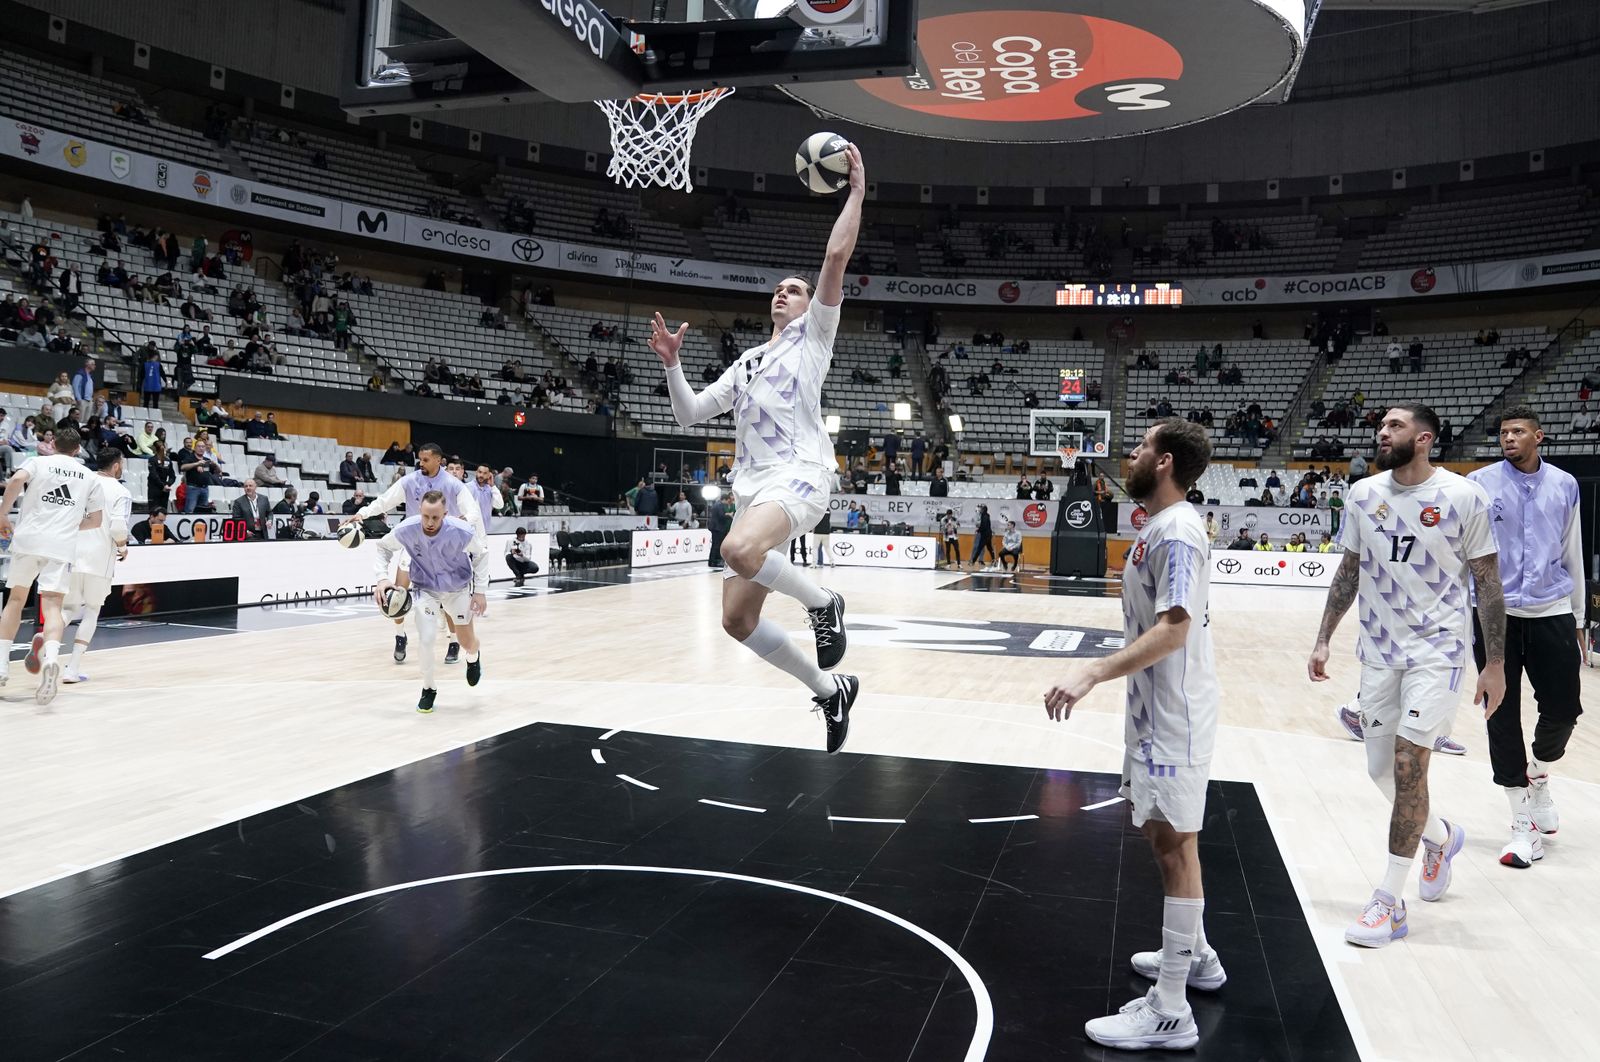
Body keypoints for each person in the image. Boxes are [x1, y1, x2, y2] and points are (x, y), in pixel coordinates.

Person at [648, 142, 866, 754]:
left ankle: (826, 603)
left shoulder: (814, 336)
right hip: (756, 487)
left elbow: (835, 256)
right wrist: (673, 364)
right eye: (778, 289)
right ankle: (829, 689)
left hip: (801, 474)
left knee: (738, 547)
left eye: (793, 289)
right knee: (736, 621)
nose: (783, 293)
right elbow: (690, 412)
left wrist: (854, 193)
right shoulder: (747, 363)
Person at [1044, 418, 1220, 1051]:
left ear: (1166, 462)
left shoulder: (1177, 532)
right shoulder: (1159, 527)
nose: (1133, 453)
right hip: (1156, 712)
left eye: (1143, 445)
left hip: (1175, 716)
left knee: (1175, 845)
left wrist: (1092, 670)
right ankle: (1195, 956)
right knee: (1161, 832)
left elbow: (1175, 630)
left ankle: (1171, 1011)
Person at [1307, 403, 1505, 948]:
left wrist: (1494, 664)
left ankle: (1389, 903)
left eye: (1393, 426)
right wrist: (1325, 636)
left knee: (1409, 765)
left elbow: (1488, 583)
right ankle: (1440, 837)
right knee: (1380, 773)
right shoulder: (1363, 494)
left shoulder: (1463, 497)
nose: (1381, 432)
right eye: (1381, 425)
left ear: (1424, 439)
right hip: (1378, 649)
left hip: (1438, 651)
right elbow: (1349, 569)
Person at [342, 442, 485, 665]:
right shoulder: (410, 480)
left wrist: (460, 522)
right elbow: (385, 500)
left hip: (443, 547)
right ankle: (400, 636)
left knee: (449, 598)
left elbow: (473, 512)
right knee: (398, 592)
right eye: (420, 459)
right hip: (414, 544)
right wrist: (363, 513)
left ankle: (454, 641)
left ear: (439, 460)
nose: (421, 463)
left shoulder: (453, 484)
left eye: (426, 459)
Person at [0, 426, 107, 704]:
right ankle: (50, 660)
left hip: (28, 540)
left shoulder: (38, 461)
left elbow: (15, 481)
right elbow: (95, 521)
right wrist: (70, 526)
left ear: (52, 444)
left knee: (15, 600)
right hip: (60, 546)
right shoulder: (89, 475)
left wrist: (3, 515)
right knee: (53, 607)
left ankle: (1, 666)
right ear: (77, 449)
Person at [372, 491, 488, 713]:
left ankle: (473, 657)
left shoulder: (461, 531)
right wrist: (382, 578)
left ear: (445, 514)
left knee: (467, 641)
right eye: (426, 516)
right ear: (420, 512)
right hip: (425, 589)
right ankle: (428, 688)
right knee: (426, 638)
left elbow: (482, 554)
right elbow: (383, 547)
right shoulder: (407, 528)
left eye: (436, 517)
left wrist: (480, 591)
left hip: (457, 589)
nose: (430, 522)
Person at [61, 450, 132, 683]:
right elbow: (119, 527)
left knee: (67, 608)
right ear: (115, 466)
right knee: (91, 609)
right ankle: (72, 668)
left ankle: (46, 644)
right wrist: (122, 547)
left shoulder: (82, 480)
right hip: (99, 558)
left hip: (71, 552)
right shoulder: (121, 491)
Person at [705, 490, 729, 570]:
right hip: (717, 528)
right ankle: (714, 561)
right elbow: (721, 516)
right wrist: (728, 515)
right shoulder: (720, 505)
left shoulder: (716, 504)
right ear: (725, 499)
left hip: (715, 527)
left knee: (715, 545)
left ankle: (712, 561)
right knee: (716, 545)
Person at [968, 503, 996, 569]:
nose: (980, 509)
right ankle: (994, 560)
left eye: (981, 508)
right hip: (988, 534)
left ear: (983, 509)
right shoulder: (986, 515)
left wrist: (978, 530)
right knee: (989, 548)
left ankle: (973, 561)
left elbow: (983, 525)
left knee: (979, 548)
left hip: (985, 535)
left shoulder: (984, 516)